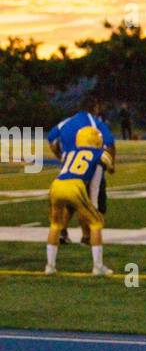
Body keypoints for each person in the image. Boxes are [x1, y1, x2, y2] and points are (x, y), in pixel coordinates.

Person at [47, 94, 116, 247]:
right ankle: (86, 236)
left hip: (69, 166)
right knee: (93, 203)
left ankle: (62, 233)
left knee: (70, 204)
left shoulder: (67, 122)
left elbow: (51, 138)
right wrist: (112, 164)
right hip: (90, 167)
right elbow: (110, 143)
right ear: (95, 106)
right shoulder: (94, 122)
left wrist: (60, 156)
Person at [45, 126, 114, 277]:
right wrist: (94, 206)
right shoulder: (101, 155)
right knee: (96, 223)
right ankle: (98, 266)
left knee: (56, 224)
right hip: (76, 187)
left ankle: (50, 266)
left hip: (56, 185)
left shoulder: (68, 153)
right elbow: (95, 183)